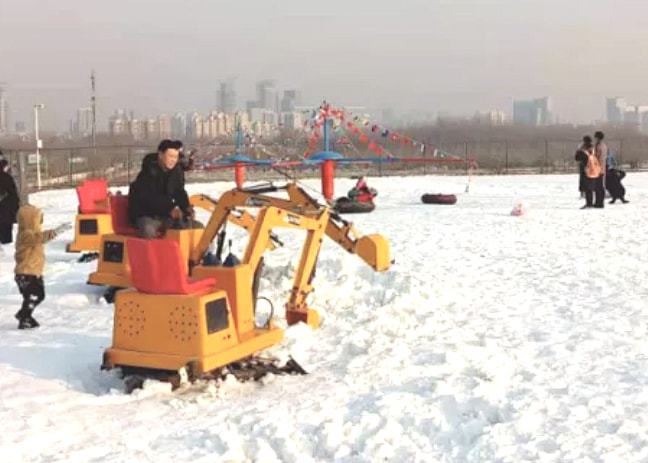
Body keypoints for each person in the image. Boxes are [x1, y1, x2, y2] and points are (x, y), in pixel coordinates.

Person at [14, 204, 70, 329]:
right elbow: (38, 238)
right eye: (38, 218)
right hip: (26, 273)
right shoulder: (25, 234)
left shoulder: (32, 233)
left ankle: (23, 314)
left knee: (39, 295)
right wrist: (54, 232)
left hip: (33, 272)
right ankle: (24, 317)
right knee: (34, 295)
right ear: (30, 219)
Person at [128, 139, 198, 238]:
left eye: (176, 157)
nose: (173, 160)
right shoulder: (148, 172)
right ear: (160, 155)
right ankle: (151, 253)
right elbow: (149, 198)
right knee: (148, 230)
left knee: (194, 227)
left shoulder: (176, 171)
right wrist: (170, 208)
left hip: (165, 215)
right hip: (146, 214)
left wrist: (186, 207)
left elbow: (179, 191)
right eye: (170, 156)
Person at [0, 158, 20, 244]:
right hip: (6, 212)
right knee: (6, 237)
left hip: (5, 211)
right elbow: (14, 195)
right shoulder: (7, 178)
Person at [574, 136, 595, 208]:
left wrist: (579, 150)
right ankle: (590, 202)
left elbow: (577, 158)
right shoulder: (593, 149)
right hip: (592, 169)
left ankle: (589, 203)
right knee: (589, 187)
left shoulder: (583, 149)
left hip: (585, 169)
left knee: (587, 187)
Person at [593, 131, 608, 208]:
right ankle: (598, 202)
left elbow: (598, 157)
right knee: (598, 186)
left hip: (599, 168)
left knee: (599, 186)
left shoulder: (600, 146)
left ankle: (600, 202)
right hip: (599, 168)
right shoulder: (601, 145)